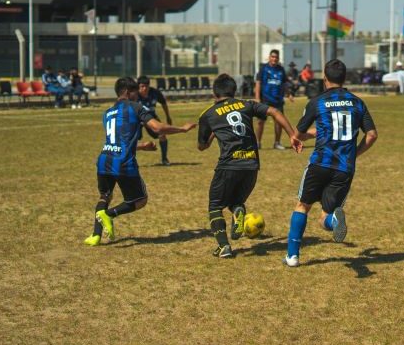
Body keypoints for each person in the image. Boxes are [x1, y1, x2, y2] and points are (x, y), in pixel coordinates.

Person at [284, 59, 378, 267]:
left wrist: (299, 137)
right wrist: (354, 154)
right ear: (344, 79)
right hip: (344, 168)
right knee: (325, 216)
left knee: (302, 206)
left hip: (319, 163)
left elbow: (299, 133)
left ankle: (292, 256)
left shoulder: (317, 102)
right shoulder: (357, 102)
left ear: (324, 79)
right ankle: (334, 221)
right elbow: (371, 135)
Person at [198, 74, 302, 258]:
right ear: (234, 91)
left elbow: (202, 146)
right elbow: (274, 112)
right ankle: (238, 210)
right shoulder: (247, 104)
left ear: (214, 93)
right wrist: (292, 135)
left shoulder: (208, 115)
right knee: (235, 202)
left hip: (228, 165)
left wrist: (215, 131)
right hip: (251, 166)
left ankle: (224, 246)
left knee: (215, 206)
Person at [84, 77, 196, 246]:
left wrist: (142, 146)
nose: (139, 95)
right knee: (140, 200)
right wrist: (182, 129)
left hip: (104, 159)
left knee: (104, 196)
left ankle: (95, 235)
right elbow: (157, 128)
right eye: (136, 92)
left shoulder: (107, 112)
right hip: (123, 163)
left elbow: (119, 141)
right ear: (128, 92)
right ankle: (110, 214)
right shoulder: (136, 107)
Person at [254, 49, 294, 149]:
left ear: (278, 58)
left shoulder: (281, 70)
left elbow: (284, 84)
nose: (274, 59)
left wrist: (289, 94)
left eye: (276, 57)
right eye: (272, 57)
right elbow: (258, 83)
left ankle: (277, 143)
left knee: (278, 122)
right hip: (265, 100)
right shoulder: (263, 68)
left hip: (278, 101)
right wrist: (257, 97)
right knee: (260, 122)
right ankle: (257, 143)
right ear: (269, 57)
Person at [138, 76, 174, 166]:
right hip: (137, 119)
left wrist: (168, 116)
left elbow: (163, 103)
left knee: (162, 133)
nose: (145, 88)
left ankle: (164, 159)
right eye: (142, 86)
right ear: (138, 87)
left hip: (151, 117)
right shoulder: (134, 95)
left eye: (146, 86)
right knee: (133, 138)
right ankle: (130, 160)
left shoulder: (155, 93)